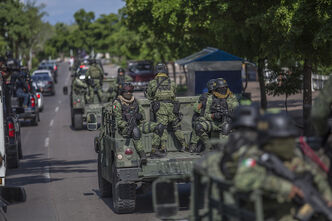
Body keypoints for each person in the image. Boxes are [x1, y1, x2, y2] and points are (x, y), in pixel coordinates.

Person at [233, 112, 332, 220]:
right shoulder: (253, 157)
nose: (290, 143)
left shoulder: (292, 157)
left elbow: (314, 174)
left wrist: (326, 193)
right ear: (269, 140)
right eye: (284, 139)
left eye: (291, 138)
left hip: (295, 209)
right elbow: (242, 179)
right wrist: (284, 188)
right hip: (270, 213)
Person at [146, 63, 187, 157]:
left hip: (160, 107)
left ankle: (163, 147)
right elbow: (174, 94)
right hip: (172, 107)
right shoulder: (172, 82)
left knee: (162, 128)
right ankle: (184, 145)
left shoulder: (153, 83)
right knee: (176, 127)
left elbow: (149, 96)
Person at [194, 78, 239, 151]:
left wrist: (228, 113)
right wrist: (214, 115)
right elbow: (206, 114)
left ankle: (224, 147)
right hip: (215, 123)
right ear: (217, 89)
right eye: (221, 88)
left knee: (226, 128)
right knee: (199, 127)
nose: (224, 89)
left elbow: (237, 109)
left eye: (225, 87)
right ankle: (208, 146)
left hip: (228, 122)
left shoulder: (231, 97)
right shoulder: (210, 98)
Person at [112, 82, 148, 164]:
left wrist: (140, 116)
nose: (128, 93)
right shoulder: (117, 103)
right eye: (126, 92)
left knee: (156, 127)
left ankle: (156, 150)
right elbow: (118, 122)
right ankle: (142, 154)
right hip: (124, 129)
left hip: (137, 124)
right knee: (135, 131)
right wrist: (127, 124)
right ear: (122, 92)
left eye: (130, 91)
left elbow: (143, 116)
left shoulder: (135, 101)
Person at [189, 79, 216, 152]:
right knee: (198, 122)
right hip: (206, 119)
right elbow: (196, 108)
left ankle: (194, 145)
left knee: (199, 122)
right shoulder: (204, 97)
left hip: (214, 120)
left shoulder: (219, 98)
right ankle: (194, 145)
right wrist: (203, 108)